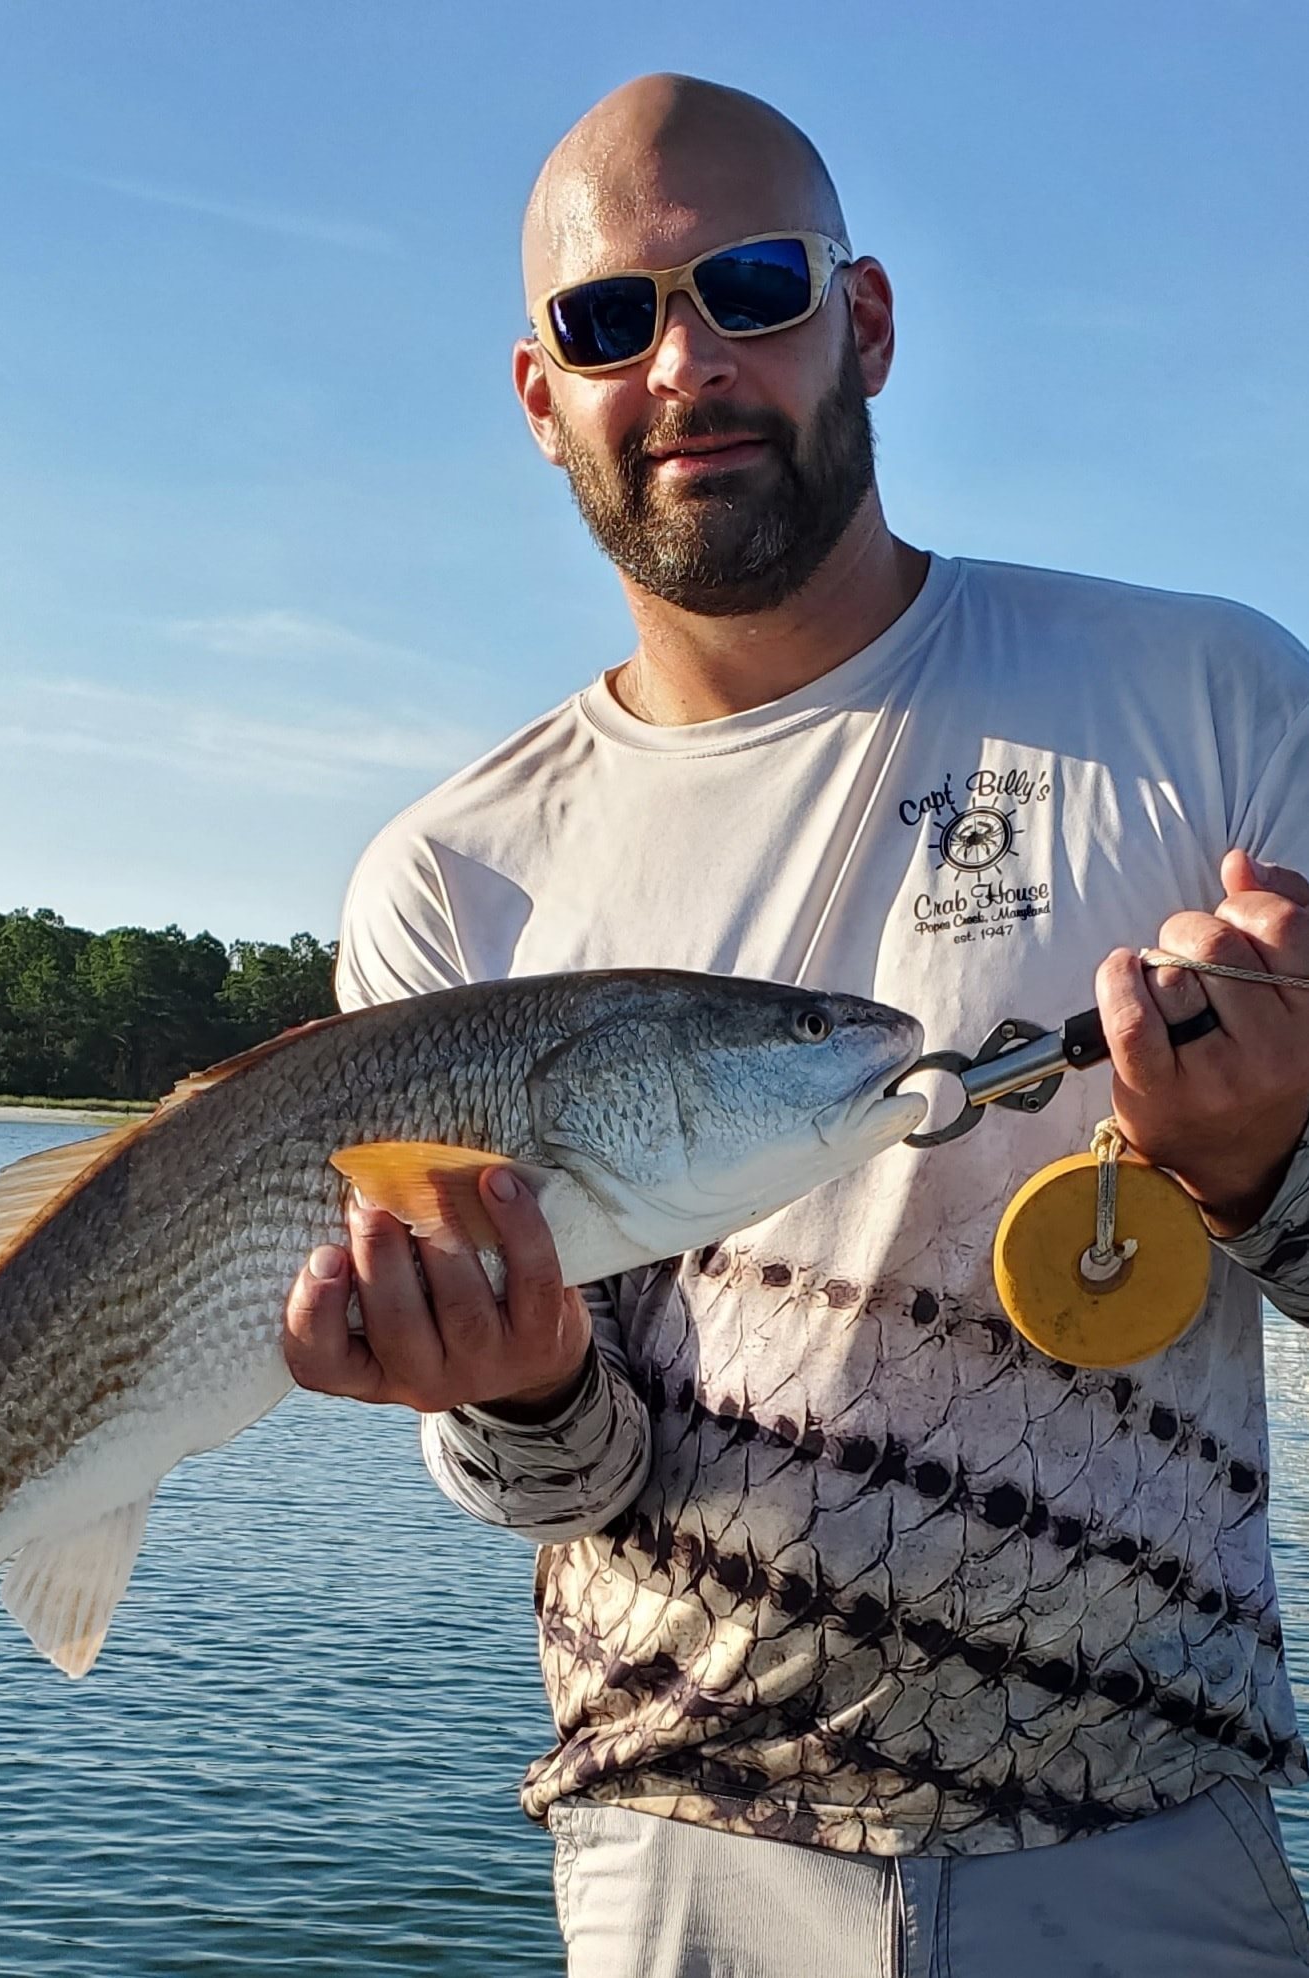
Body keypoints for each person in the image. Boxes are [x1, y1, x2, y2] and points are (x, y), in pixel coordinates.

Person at [283, 72, 1309, 1976]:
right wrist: (509, 1388)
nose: (684, 363)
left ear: (869, 321)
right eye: (611, 320)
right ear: (542, 396)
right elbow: (558, 1486)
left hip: (1146, 1836)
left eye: (752, 284)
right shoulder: (447, 882)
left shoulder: (1207, 704)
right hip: (677, 1861)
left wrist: (1263, 1171)